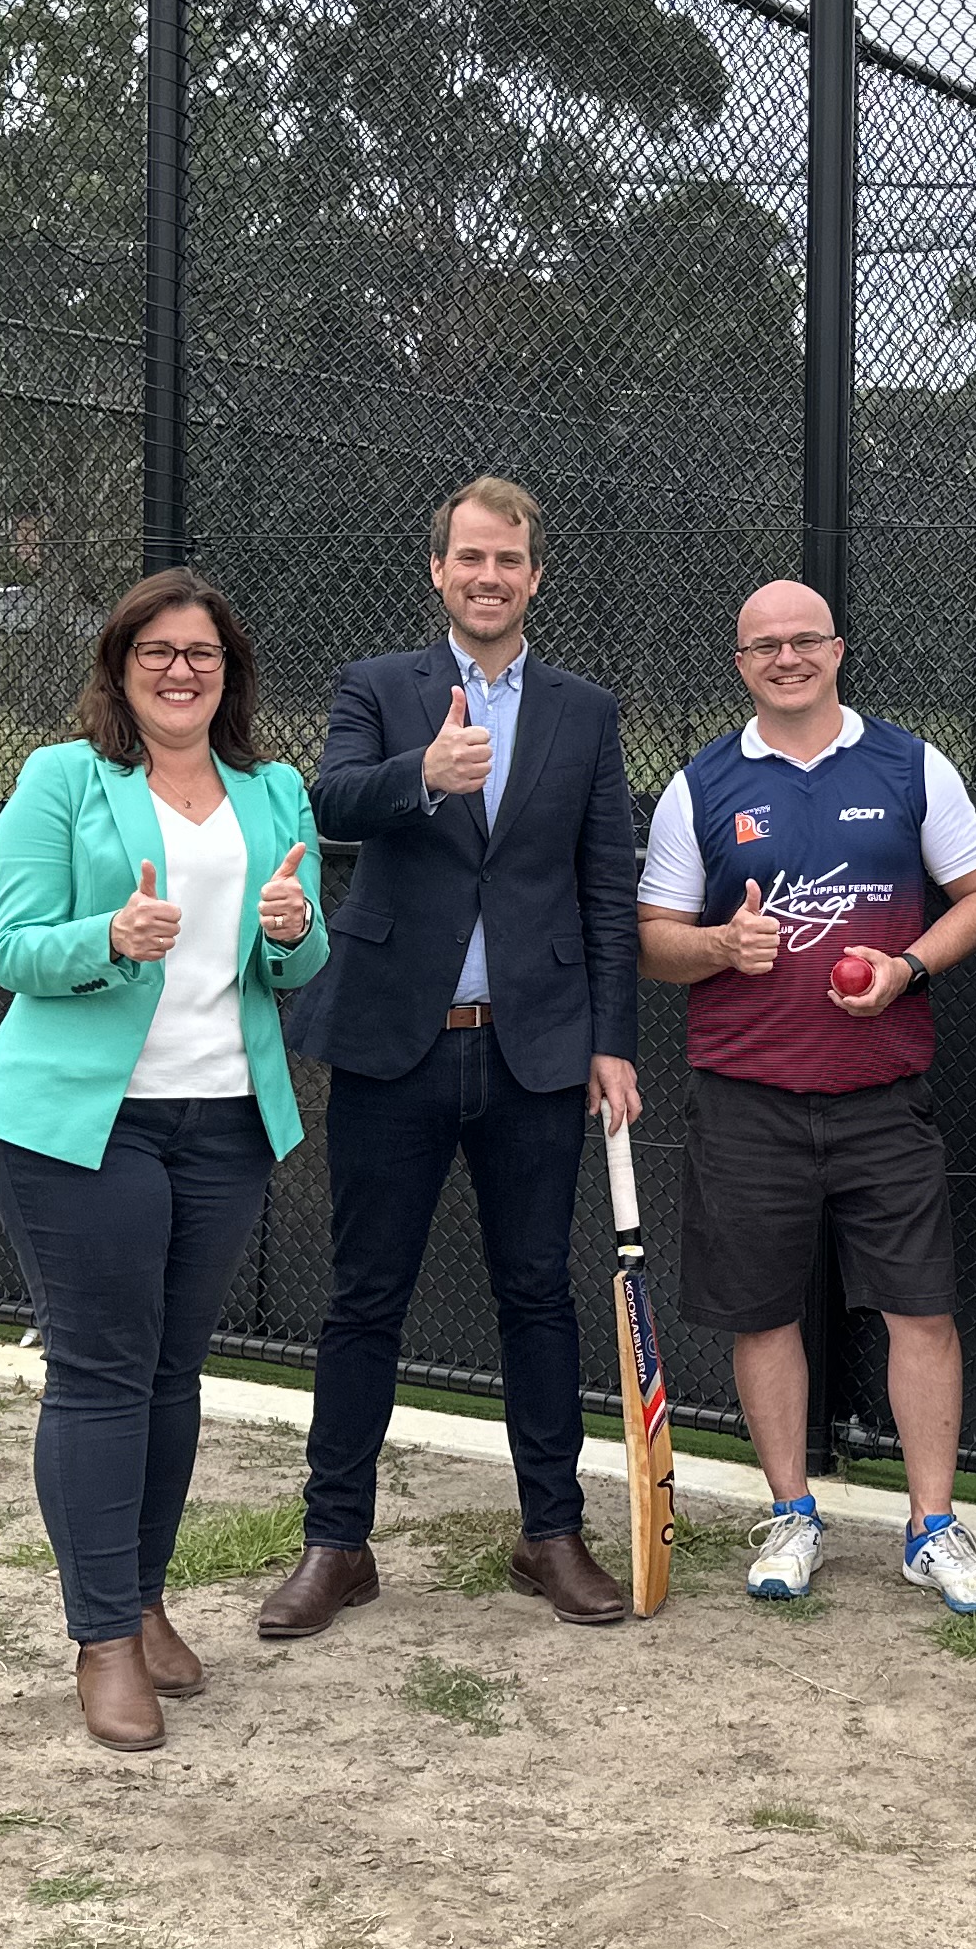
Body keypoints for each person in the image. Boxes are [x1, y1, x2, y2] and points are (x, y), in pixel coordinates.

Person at [259, 479, 644, 1639]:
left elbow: (607, 892)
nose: (489, 577)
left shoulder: (585, 711)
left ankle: (550, 1533)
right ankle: (337, 1543)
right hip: (393, 1048)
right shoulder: (381, 688)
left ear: (536, 576)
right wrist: (421, 776)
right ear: (438, 571)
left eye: (509, 560)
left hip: (534, 1053)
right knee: (365, 1296)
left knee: (538, 1295)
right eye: (470, 558)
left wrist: (613, 1042)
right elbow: (329, 801)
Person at [0, 569, 328, 1753]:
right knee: (102, 1373)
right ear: (121, 667)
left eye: (204, 656)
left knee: (174, 1374)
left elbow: (296, 961)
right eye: (159, 653)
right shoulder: (62, 778)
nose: (182, 672)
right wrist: (110, 937)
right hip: (85, 1126)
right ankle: (102, 1637)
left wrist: (294, 932)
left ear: (231, 674)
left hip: (223, 1123)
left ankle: (148, 1599)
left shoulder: (275, 791)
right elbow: (14, 949)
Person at [633, 580, 976, 1614]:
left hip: (881, 1096)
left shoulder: (908, 765)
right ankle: (793, 1512)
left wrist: (908, 969)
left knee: (922, 1311)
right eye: (765, 645)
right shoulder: (700, 786)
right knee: (762, 1316)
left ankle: (931, 1527)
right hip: (747, 1098)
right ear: (741, 663)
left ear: (839, 650)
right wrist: (720, 944)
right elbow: (654, 939)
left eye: (806, 640)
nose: (788, 658)